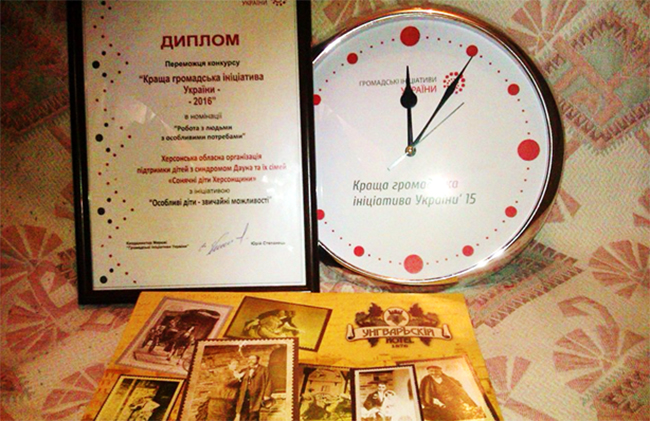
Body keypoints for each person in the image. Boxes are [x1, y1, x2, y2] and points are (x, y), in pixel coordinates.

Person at [235, 355, 272, 421]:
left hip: (257, 396)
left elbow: (269, 382)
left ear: (258, 360)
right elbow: (238, 383)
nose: (250, 361)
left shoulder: (264, 370)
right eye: (249, 359)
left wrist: (267, 395)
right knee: (244, 415)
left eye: (253, 359)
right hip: (245, 396)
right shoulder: (244, 370)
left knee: (254, 414)